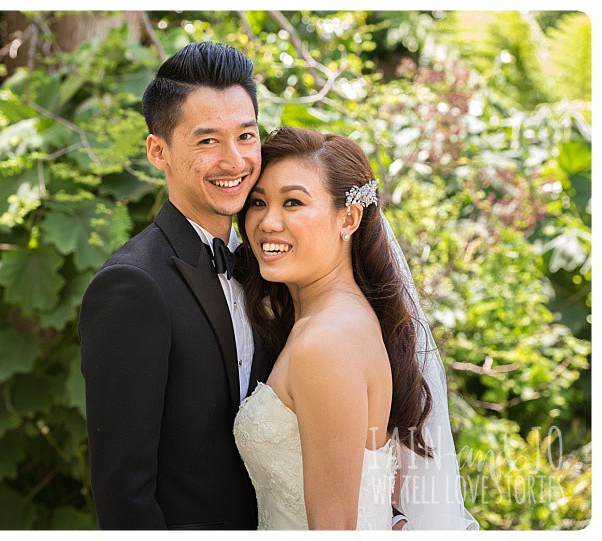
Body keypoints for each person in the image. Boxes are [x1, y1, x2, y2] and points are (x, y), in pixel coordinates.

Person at [233, 127, 479, 530]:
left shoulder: (325, 343)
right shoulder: (347, 320)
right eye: (258, 202)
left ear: (349, 217)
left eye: (293, 202)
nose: (267, 222)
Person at [78, 41, 272, 529]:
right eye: (208, 141)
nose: (235, 161)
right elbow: (125, 495)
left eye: (246, 136)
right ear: (157, 151)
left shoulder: (272, 264)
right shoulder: (131, 287)